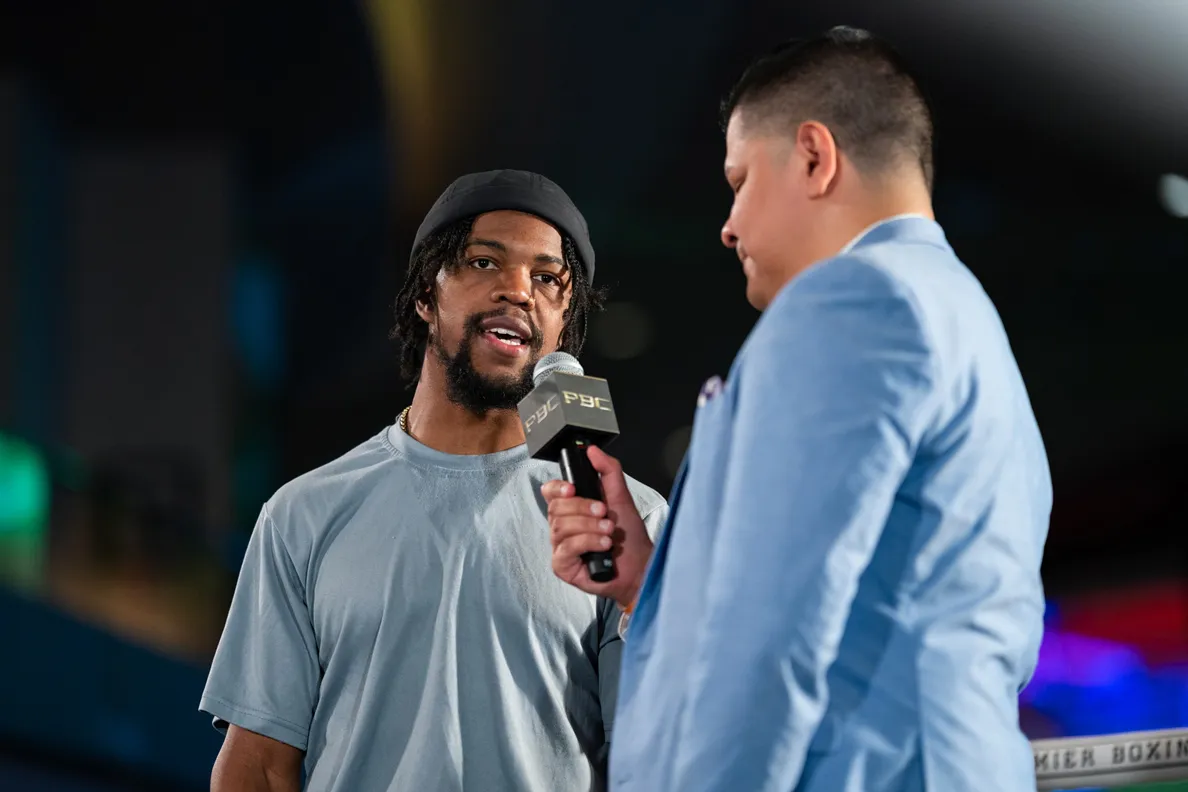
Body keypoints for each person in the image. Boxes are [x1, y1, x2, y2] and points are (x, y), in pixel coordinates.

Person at [543, 27, 1052, 792]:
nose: (729, 223)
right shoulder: (959, 313)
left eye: (741, 179)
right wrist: (651, 580)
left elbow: (770, 635)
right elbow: (875, 599)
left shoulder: (853, 301)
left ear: (814, 157)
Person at [201, 169, 668, 792]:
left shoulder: (626, 521)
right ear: (427, 293)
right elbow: (257, 766)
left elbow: (657, 753)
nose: (517, 291)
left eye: (547, 279)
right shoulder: (303, 514)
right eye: (484, 262)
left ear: (563, 325)